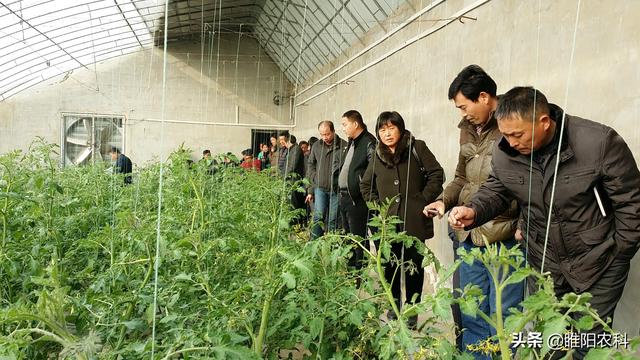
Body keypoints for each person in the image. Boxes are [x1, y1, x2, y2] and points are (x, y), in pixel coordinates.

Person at [448, 86, 640, 360]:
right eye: (506, 134)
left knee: (589, 341)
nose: (511, 142)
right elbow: (497, 189)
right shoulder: (506, 151)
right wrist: (474, 210)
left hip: (599, 261)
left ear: (544, 121)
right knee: (551, 338)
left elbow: (632, 203)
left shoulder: (598, 142)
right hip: (545, 260)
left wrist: (620, 253)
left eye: (518, 134)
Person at [424, 65, 523, 357]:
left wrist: (523, 224)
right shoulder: (468, 130)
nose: (463, 114)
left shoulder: (513, 124)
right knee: (472, 311)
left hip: (503, 236)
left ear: (484, 97)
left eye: (464, 107)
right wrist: (444, 201)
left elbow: (525, 183)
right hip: (468, 236)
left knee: (505, 314)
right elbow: (461, 176)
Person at [360, 111, 444, 327]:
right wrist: (379, 207)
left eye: (391, 128)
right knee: (390, 265)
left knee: (413, 265)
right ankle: (393, 304)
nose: (387, 134)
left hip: (415, 219)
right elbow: (366, 184)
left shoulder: (417, 147)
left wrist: (422, 200)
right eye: (382, 129)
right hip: (388, 222)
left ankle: (412, 309)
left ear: (401, 128)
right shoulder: (378, 155)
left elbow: (437, 174)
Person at [338, 110, 377, 269]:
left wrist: (361, 188)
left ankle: (359, 273)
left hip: (357, 199)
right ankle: (352, 268)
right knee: (350, 237)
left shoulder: (368, 142)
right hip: (346, 197)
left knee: (358, 238)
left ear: (355, 124)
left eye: (345, 124)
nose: (343, 128)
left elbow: (373, 171)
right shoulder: (352, 142)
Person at [306, 121, 347, 240]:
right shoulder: (317, 146)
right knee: (318, 217)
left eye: (327, 134)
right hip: (320, 188)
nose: (325, 138)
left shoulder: (343, 146)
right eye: (322, 134)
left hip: (336, 189)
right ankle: (313, 243)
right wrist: (314, 180)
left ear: (333, 131)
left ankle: (332, 244)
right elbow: (311, 164)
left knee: (333, 219)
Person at [279, 132, 306, 224]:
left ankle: (295, 225)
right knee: (289, 205)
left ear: (287, 139)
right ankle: (292, 224)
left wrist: (282, 177)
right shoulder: (290, 150)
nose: (281, 142)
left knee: (294, 205)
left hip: (294, 182)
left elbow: (291, 167)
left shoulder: (296, 149)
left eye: (282, 140)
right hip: (289, 182)